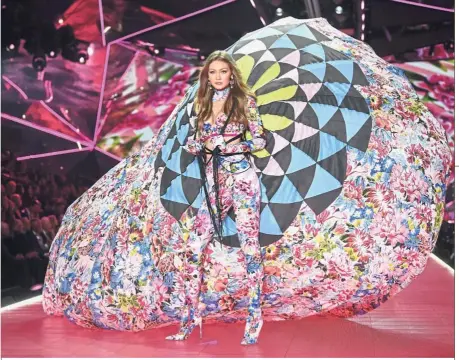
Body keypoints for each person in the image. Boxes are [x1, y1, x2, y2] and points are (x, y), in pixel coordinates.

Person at [165, 50, 266, 345]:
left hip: (243, 177)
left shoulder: (244, 102)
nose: (218, 77)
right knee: (193, 248)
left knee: (250, 245)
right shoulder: (201, 103)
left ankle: (254, 319)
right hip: (213, 181)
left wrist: (233, 145)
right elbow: (195, 141)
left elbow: (259, 139)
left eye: (223, 71)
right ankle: (187, 321)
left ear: (231, 74)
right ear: (206, 76)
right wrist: (197, 143)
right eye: (212, 72)